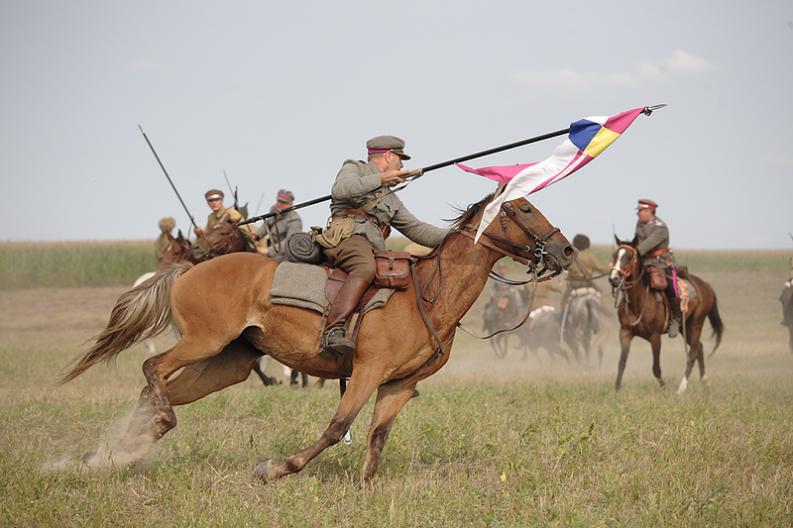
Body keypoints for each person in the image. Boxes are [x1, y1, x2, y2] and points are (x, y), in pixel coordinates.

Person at [314, 135, 448, 357]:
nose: (402, 165)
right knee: (365, 267)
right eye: (400, 158)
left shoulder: (391, 198)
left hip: (373, 247)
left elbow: (417, 229)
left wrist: (460, 236)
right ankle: (333, 330)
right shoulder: (354, 168)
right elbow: (341, 189)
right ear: (388, 155)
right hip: (347, 237)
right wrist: (383, 179)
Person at [634, 198, 681, 337]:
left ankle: (676, 319)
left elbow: (644, 246)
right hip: (645, 261)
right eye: (638, 211)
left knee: (671, 286)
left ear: (650, 211)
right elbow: (636, 241)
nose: (638, 214)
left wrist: (631, 253)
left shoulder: (660, 228)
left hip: (662, 263)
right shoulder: (640, 223)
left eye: (641, 211)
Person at [561, 234, 611, 308]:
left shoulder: (571, 257)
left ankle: (562, 318)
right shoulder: (590, 257)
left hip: (574, 287)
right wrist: (611, 267)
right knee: (603, 304)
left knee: (563, 304)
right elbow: (603, 270)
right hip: (588, 285)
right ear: (587, 244)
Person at [256, 189, 303, 259]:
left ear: (290, 204)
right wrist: (256, 235)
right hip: (270, 247)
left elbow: (290, 241)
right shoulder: (274, 211)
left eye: (283, 202)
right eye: (279, 201)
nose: (279, 204)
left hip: (284, 254)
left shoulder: (294, 220)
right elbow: (267, 224)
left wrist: (269, 251)